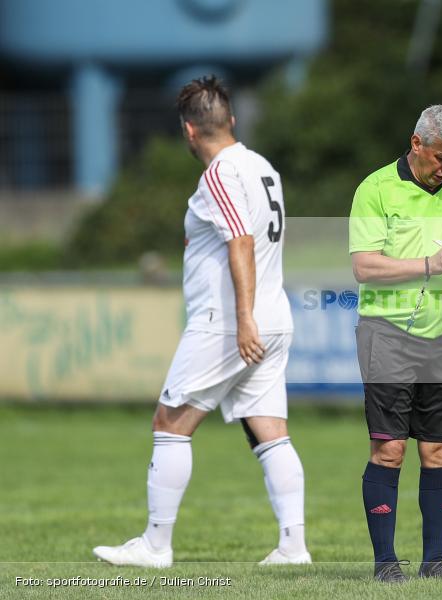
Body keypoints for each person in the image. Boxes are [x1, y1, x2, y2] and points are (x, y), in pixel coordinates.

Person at [92, 76, 310, 567]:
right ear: (230, 121)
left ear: (189, 132)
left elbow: (241, 241)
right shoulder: (263, 167)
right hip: (275, 314)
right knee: (270, 431)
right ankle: (293, 546)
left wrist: (242, 319)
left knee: (170, 422)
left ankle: (154, 545)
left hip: (231, 321)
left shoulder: (219, 174)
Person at [349, 103, 442, 582]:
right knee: (389, 450)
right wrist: (429, 265)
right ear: (416, 144)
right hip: (387, 335)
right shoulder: (375, 189)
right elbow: (365, 267)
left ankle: (435, 561)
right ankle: (386, 563)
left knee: (441, 452)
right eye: (441, 158)